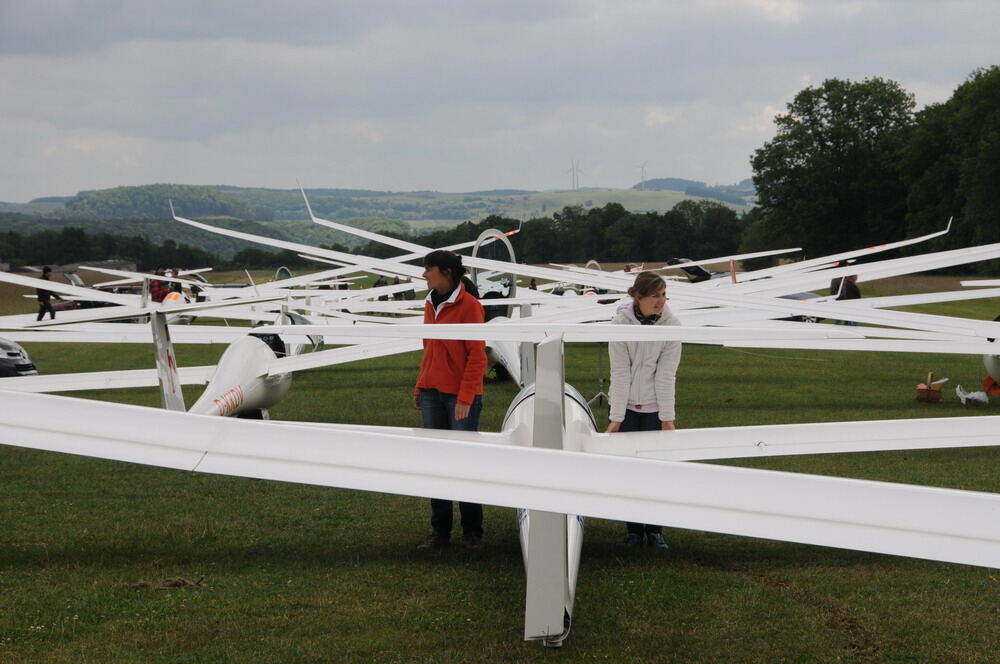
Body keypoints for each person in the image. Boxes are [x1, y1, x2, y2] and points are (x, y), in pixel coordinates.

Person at [412, 250, 488, 549]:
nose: (424, 275)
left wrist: (466, 396)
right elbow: (429, 348)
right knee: (437, 462)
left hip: (460, 396)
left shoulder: (470, 305)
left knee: (465, 462)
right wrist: (421, 385)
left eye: (428, 269)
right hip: (432, 392)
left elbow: (476, 356)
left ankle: (472, 530)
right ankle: (440, 531)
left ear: (445, 271)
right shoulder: (430, 303)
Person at [606, 271, 682, 549]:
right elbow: (619, 373)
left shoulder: (673, 326)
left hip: (654, 410)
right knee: (629, 471)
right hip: (627, 410)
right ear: (638, 298)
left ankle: (655, 530)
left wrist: (667, 419)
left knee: (655, 471)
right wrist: (616, 418)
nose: (660, 301)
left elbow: (666, 376)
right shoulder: (619, 323)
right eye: (655, 296)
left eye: (663, 295)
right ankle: (634, 531)